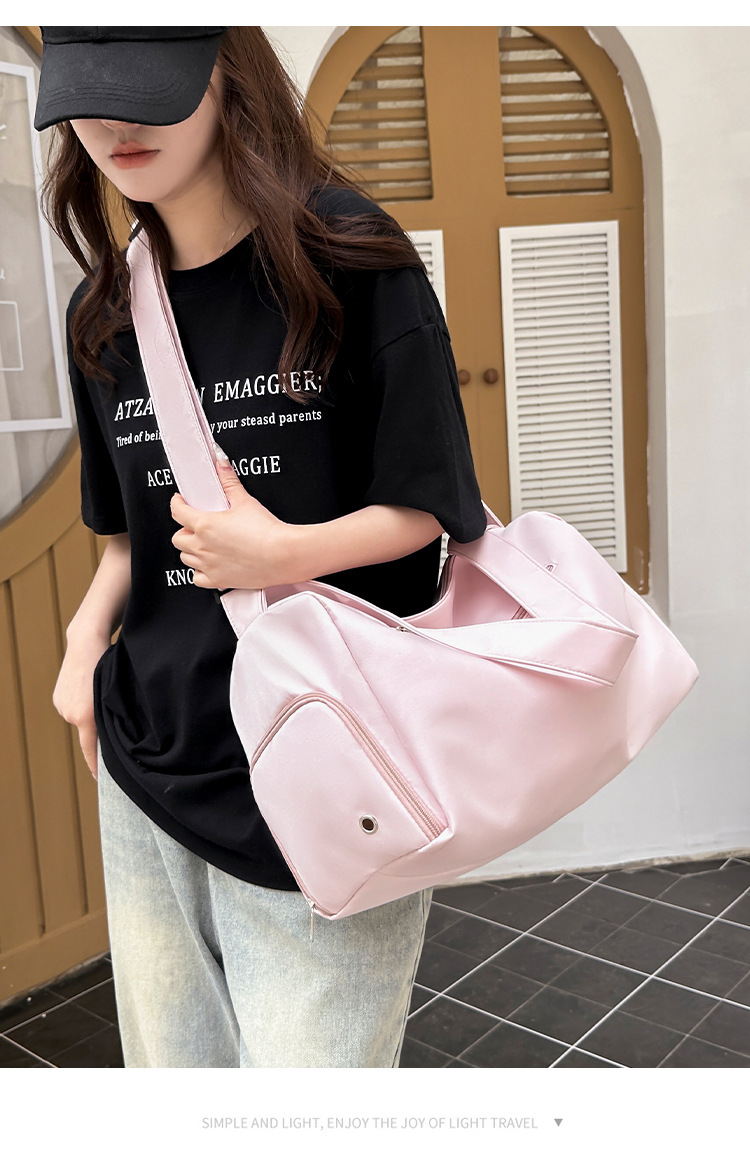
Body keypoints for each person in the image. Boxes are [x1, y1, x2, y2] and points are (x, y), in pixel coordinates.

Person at [39, 26, 487, 1068]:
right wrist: (81, 644)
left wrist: (282, 553)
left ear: (225, 70)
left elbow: (432, 508)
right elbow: (129, 541)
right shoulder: (103, 309)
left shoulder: (349, 257)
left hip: (329, 764)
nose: (113, 123)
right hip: (146, 758)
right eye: (87, 97)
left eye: (147, 88)